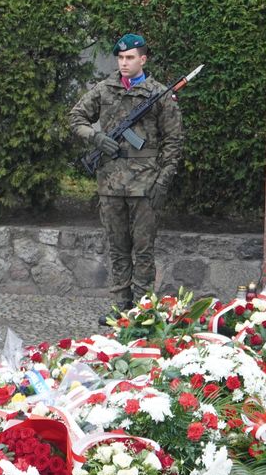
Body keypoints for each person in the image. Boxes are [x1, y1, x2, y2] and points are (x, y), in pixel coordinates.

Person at [69, 33, 183, 324]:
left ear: (142, 59)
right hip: (110, 183)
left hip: (145, 184)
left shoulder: (158, 94)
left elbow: (173, 141)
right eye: (120, 58)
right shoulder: (103, 90)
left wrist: (163, 181)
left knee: (144, 250)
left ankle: (143, 309)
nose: (123, 63)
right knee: (117, 248)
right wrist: (96, 137)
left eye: (130, 57)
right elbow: (76, 118)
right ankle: (120, 306)